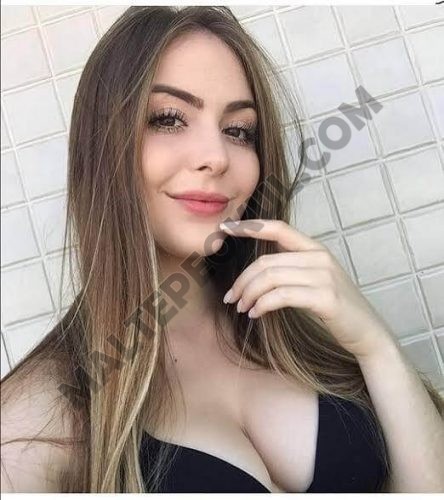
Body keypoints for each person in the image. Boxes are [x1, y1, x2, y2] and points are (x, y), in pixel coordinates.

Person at [1, 6, 443, 493]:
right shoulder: (40, 418)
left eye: (238, 131)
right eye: (169, 119)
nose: (216, 156)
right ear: (102, 147)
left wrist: (376, 348)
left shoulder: (297, 335)